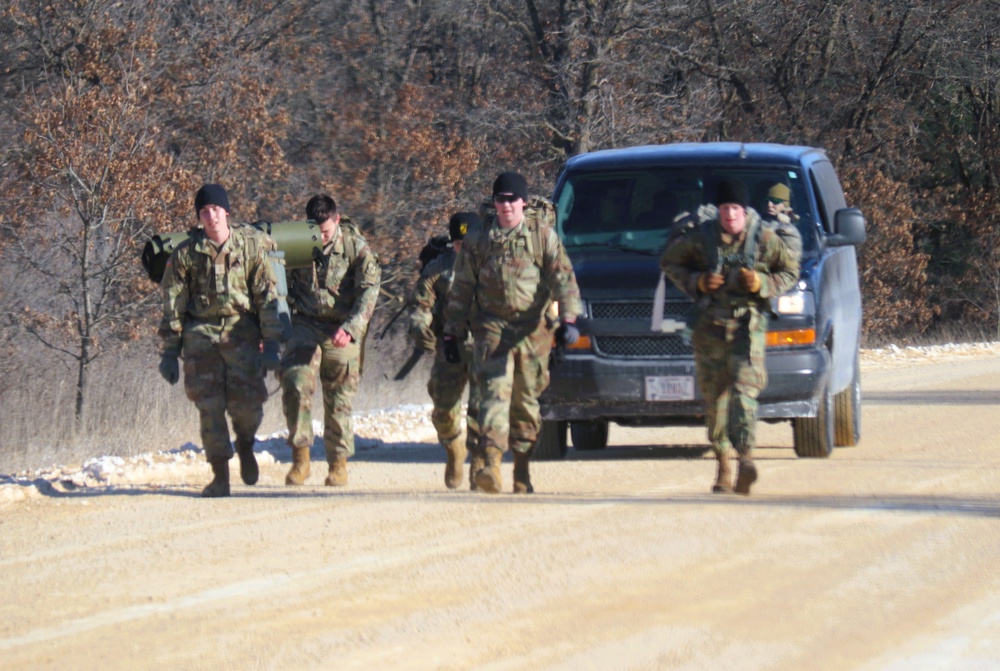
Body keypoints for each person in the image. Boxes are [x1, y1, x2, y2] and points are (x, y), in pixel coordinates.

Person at [443, 172, 582, 494]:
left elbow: (563, 277)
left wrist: (570, 320)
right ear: (494, 203)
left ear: (523, 202)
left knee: (525, 402)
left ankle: (522, 465)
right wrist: (451, 333)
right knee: (493, 393)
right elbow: (462, 289)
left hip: (533, 331)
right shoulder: (478, 240)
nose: (506, 206)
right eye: (501, 199)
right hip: (491, 327)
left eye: (512, 200)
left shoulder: (541, 236)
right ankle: (491, 463)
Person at [660, 178, 799, 495]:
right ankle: (723, 464)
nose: (730, 215)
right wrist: (698, 281)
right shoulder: (703, 239)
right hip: (710, 328)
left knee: (744, 393)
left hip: (747, 328)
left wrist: (762, 284)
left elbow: (790, 271)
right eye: (725, 209)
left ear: (744, 209)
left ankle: (745, 459)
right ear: (719, 211)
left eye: (735, 208)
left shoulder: (764, 238)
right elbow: (670, 262)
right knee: (715, 398)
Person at [158, 183, 284, 498]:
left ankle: (245, 444)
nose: (211, 216)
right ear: (199, 216)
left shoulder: (251, 248)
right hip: (201, 337)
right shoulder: (186, 253)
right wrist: (170, 352)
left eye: (216, 209)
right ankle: (220, 476)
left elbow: (268, 298)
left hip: (242, 333)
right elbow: (173, 303)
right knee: (209, 407)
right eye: (204, 211)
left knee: (248, 406)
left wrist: (271, 344)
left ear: (226, 211)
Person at [280, 194, 381, 487]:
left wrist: (351, 328)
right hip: (306, 324)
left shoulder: (355, 247)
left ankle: (338, 463)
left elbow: (369, 291)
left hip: (342, 327)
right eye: (316, 231)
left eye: (326, 231)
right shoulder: (299, 245)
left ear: (337, 220)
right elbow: (280, 286)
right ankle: (301, 460)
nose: (321, 237)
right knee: (296, 383)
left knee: (339, 396)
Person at [408, 211, 483, 490]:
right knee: (442, 407)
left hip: (486, 346)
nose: (463, 248)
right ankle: (454, 449)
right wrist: (419, 327)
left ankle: (479, 464)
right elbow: (421, 305)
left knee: (483, 409)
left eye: (468, 242)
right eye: (458, 243)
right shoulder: (438, 268)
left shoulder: (495, 265)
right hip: (450, 344)